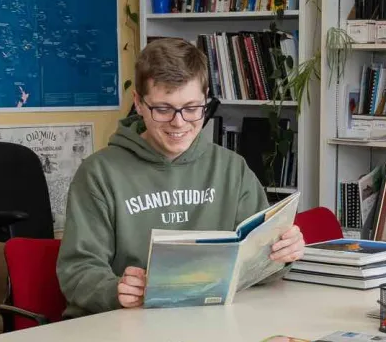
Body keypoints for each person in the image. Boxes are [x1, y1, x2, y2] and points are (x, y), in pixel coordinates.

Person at [56, 38, 305, 318]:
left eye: (191, 108)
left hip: (210, 322)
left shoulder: (232, 169)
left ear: (205, 99)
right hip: (125, 324)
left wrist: (282, 254)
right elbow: (77, 271)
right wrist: (115, 289)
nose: (179, 122)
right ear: (138, 103)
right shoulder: (98, 174)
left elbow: (259, 265)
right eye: (163, 109)